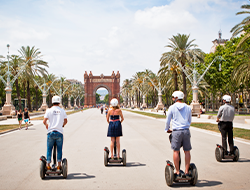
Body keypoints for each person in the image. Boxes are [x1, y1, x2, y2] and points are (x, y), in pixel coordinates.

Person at [165, 91, 192, 178]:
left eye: (173, 97)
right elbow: (190, 120)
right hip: (186, 130)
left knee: (176, 151)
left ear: (176, 98)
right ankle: (187, 172)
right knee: (187, 151)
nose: (172, 98)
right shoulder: (188, 107)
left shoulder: (172, 107)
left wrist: (167, 129)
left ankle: (177, 172)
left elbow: (168, 120)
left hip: (176, 131)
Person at [43, 95, 68, 172]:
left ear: (52, 102)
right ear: (59, 102)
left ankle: (48, 165)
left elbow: (44, 121)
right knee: (59, 149)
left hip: (50, 133)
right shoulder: (62, 110)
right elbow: (66, 121)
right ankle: (59, 166)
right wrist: (62, 125)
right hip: (59, 133)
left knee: (49, 149)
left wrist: (47, 125)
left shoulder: (48, 110)